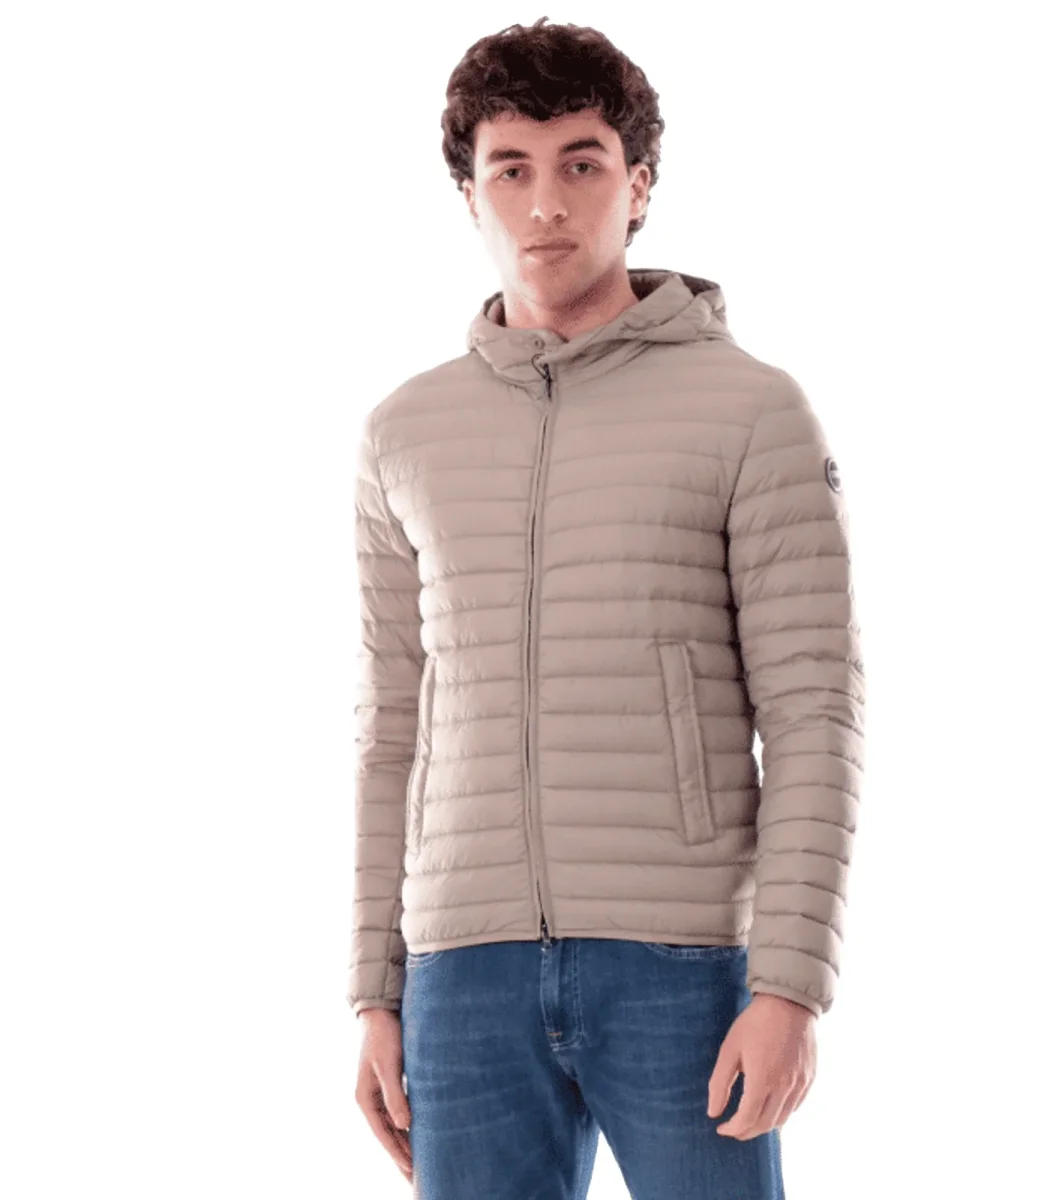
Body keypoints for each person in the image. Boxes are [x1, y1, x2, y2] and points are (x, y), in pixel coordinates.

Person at [349, 17, 866, 1199]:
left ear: (638, 185)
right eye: (510, 170)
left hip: (681, 964)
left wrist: (789, 986)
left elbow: (815, 715)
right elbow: (389, 732)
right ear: (468, 194)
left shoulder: (751, 411)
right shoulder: (403, 433)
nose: (546, 204)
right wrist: (377, 991)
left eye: (582, 163)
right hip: (461, 973)